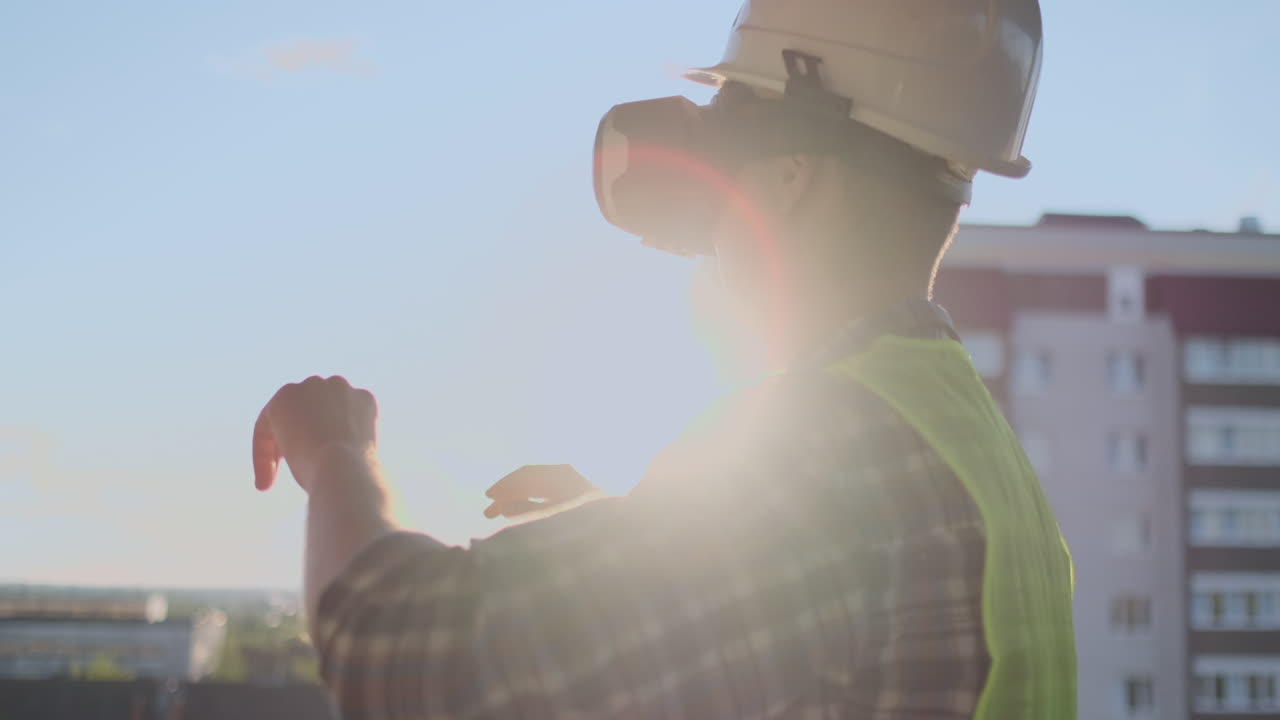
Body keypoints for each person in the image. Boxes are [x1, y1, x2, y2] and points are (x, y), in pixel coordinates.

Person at [252, 1, 1077, 718]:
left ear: (791, 170)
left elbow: (405, 661)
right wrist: (634, 527)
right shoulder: (975, 453)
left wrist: (334, 452)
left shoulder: (820, 451)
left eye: (727, 130)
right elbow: (853, 618)